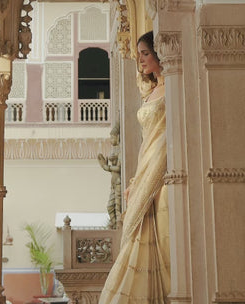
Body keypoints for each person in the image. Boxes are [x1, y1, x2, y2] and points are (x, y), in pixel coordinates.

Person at [99, 31, 170, 304]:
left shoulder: (173, 86)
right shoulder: (152, 91)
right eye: (139, 54)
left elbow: (166, 138)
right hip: (145, 166)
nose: (140, 59)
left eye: (146, 53)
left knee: (156, 239)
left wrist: (149, 179)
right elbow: (146, 140)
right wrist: (135, 181)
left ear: (159, 54)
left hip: (161, 172)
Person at [97, 122, 122, 229]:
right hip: (113, 184)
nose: (111, 140)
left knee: (117, 208)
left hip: (119, 183)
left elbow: (119, 168)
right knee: (110, 207)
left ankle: (119, 226)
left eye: (113, 137)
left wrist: (107, 167)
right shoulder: (114, 150)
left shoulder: (121, 151)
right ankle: (115, 225)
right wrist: (105, 165)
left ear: (118, 137)